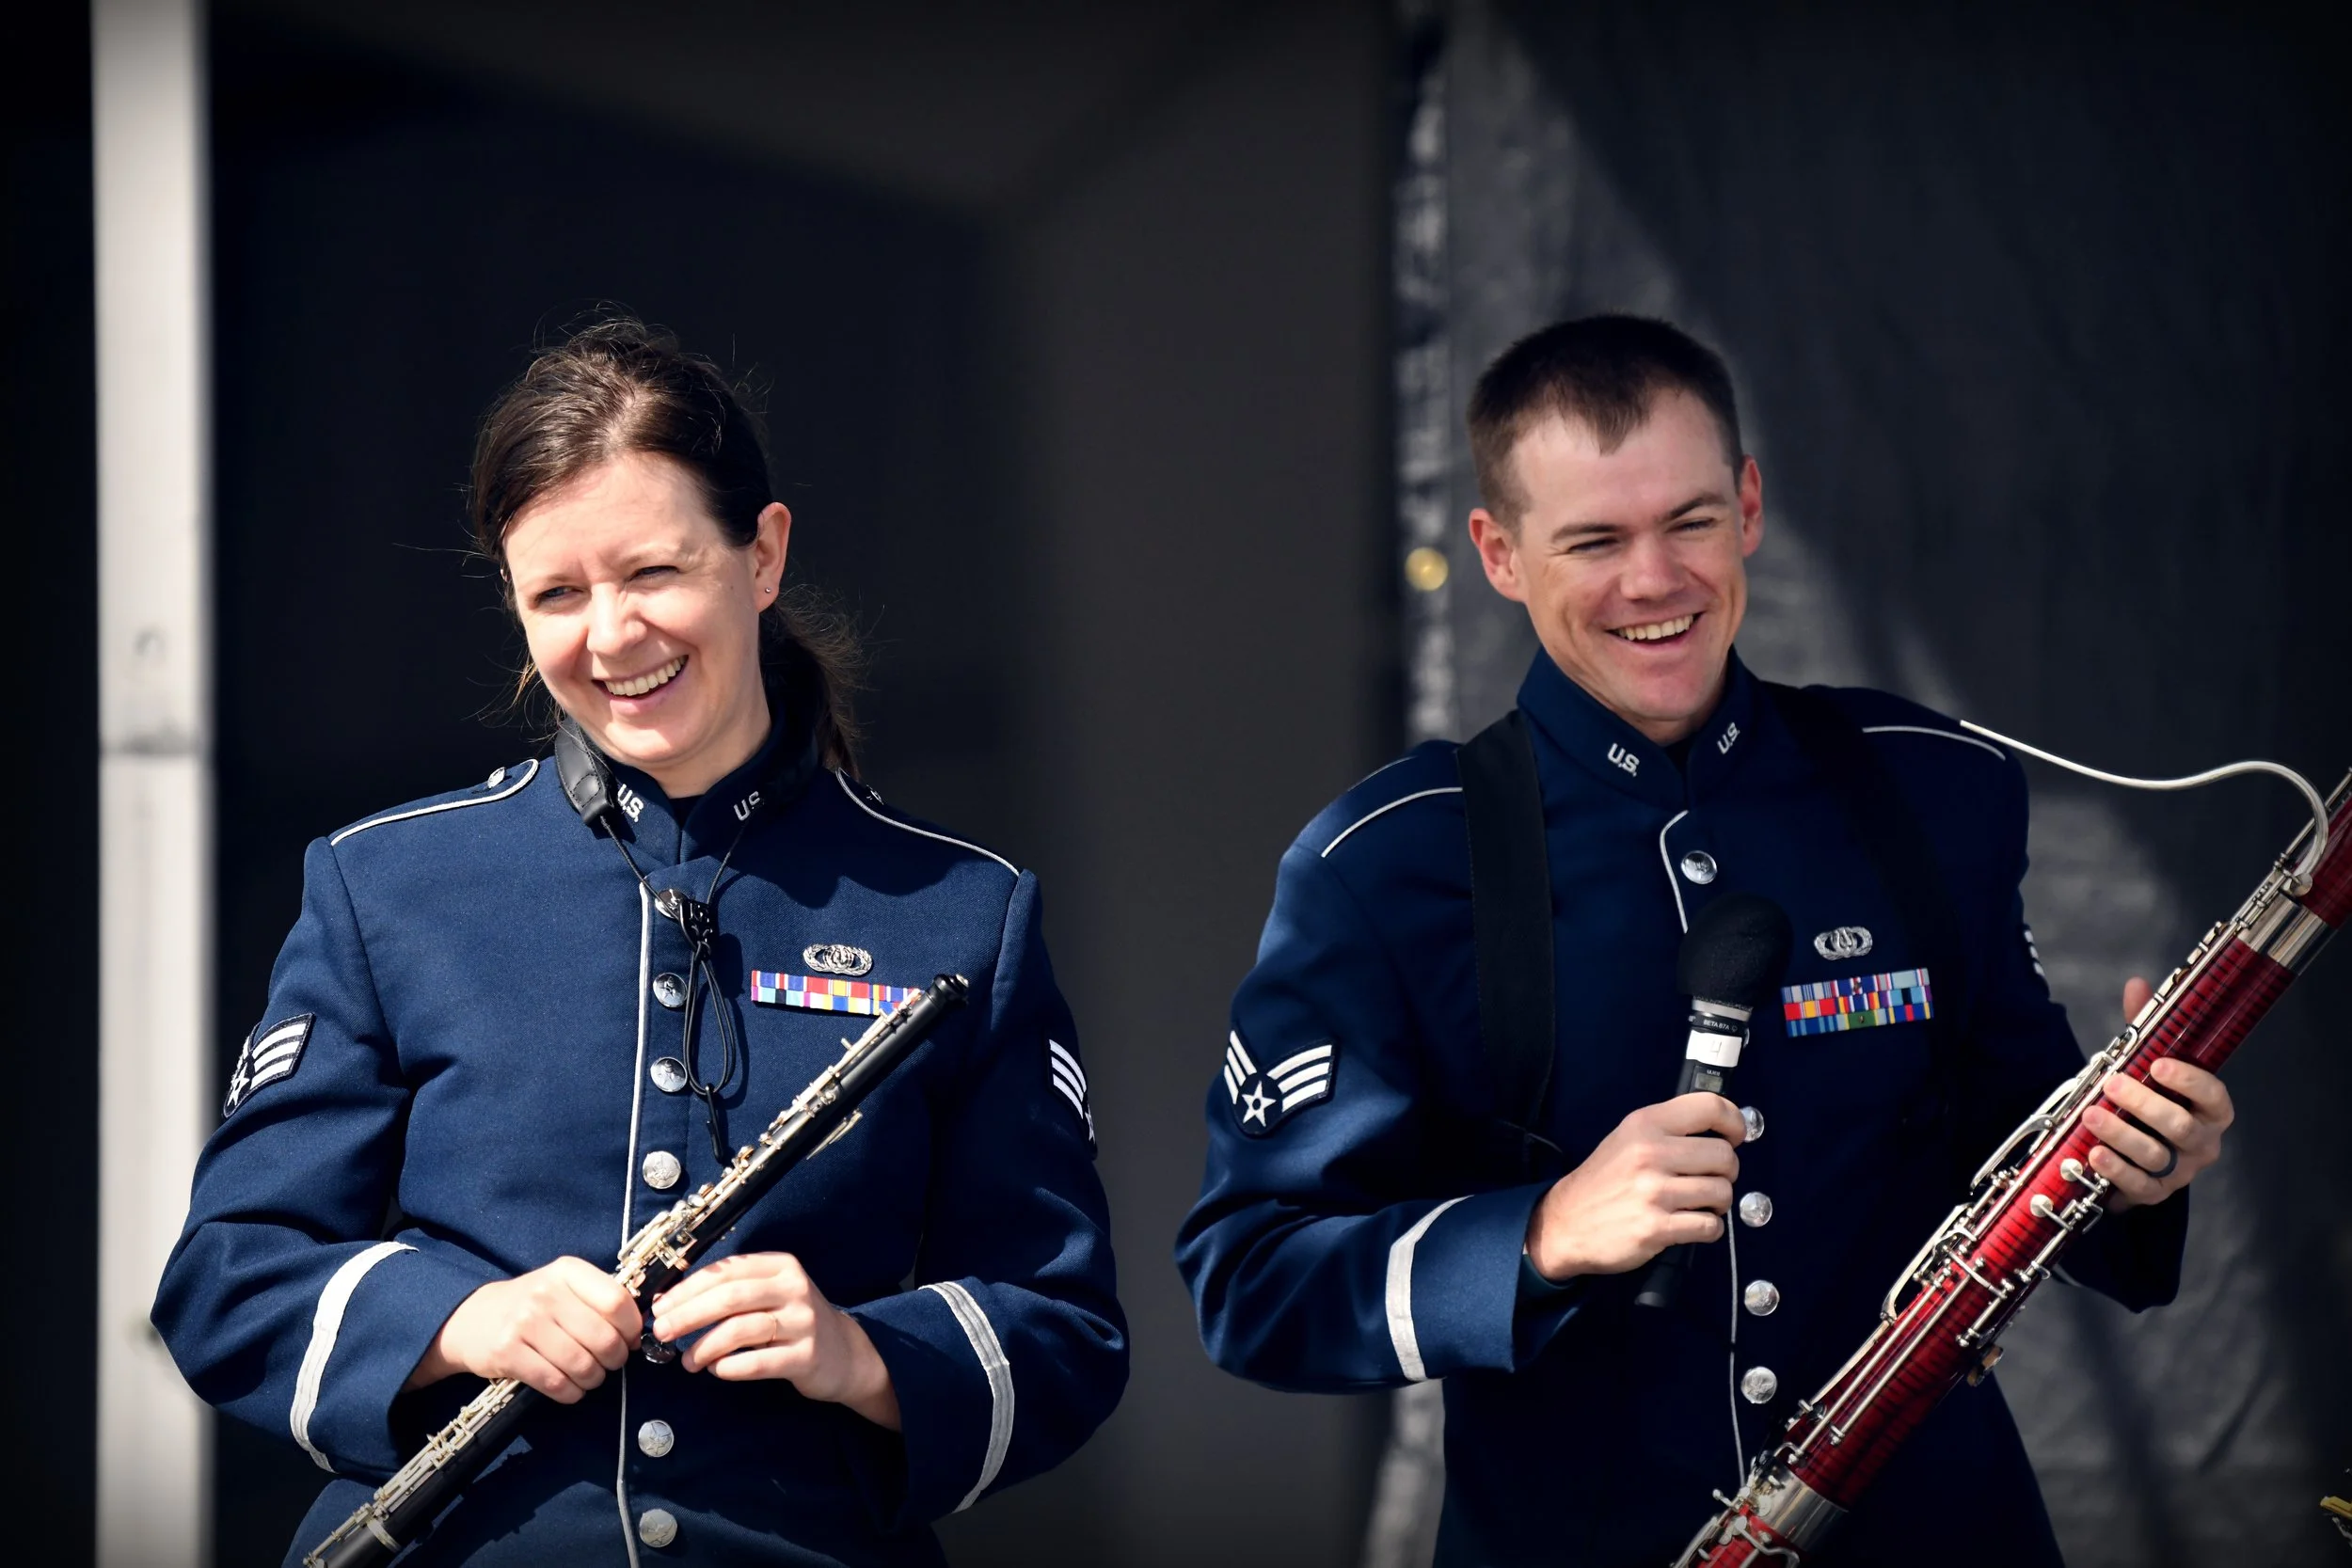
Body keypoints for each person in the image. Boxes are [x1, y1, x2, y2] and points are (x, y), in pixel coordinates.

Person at [1175, 316, 2233, 1566]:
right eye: (1593, 540)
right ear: (1499, 554)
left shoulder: (1931, 788)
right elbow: (1251, 1284)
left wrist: (2138, 1169)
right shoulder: (1387, 864)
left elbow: (2028, 1164)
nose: (1653, 580)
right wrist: (1540, 1231)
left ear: (1749, 506)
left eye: (1687, 520)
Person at [154, 318, 1126, 1565]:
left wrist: (863, 1352)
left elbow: (1065, 1327)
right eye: (557, 592)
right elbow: (228, 1276)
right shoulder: (385, 885)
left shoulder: (960, 909)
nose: (611, 635)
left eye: (653, 574)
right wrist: (463, 1321)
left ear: (762, 555)